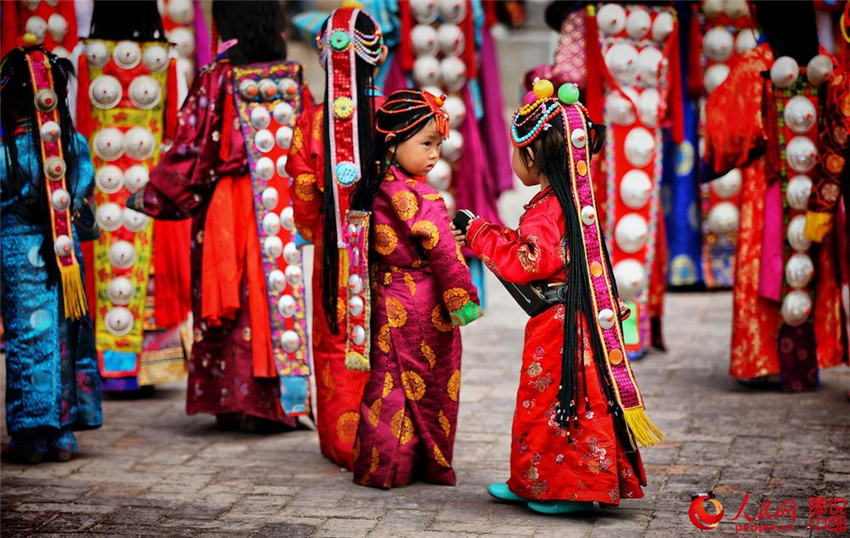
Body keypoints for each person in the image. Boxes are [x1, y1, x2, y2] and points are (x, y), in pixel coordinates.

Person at [453, 81, 661, 514]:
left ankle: (567, 490)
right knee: (563, 403)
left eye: (516, 152)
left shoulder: (549, 209)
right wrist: (483, 230)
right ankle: (534, 480)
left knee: (556, 405)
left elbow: (527, 262)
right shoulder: (565, 203)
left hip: (560, 328)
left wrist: (477, 233)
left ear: (532, 157)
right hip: (575, 321)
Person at [128, 0, 305, 431]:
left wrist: (152, 194)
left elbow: (191, 150)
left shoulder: (217, 77)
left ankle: (229, 399)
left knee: (227, 298)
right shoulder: (290, 77)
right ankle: (270, 402)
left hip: (225, 207)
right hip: (275, 206)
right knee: (274, 294)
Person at [704, 2, 847, 390]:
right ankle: (807, 361)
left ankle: (763, 361)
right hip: (816, 191)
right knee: (808, 264)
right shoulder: (827, 64)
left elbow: (724, 131)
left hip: (765, 185)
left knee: (765, 260)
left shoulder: (755, 65)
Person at [348, 89, 483, 488]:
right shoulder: (423, 196)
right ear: (392, 141)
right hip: (422, 304)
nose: (434, 155)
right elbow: (443, 252)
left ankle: (382, 465)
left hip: (384, 295)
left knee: (388, 382)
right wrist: (464, 301)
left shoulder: (372, 187)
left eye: (438, 145)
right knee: (429, 384)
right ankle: (426, 463)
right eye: (426, 144)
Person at [285, 4, 387, 471]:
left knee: (334, 340)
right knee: (385, 338)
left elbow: (304, 193)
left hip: (333, 253)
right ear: (376, 56)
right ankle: (387, 438)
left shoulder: (311, 121)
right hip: (386, 252)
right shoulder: (391, 115)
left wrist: (317, 229)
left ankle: (341, 441)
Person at [76, 0, 191, 393]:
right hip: (147, 184)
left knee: (107, 271)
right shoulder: (165, 59)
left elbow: (78, 121)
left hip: (101, 180)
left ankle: (106, 366)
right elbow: (175, 126)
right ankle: (147, 368)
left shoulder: (86, 57)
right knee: (143, 269)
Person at [1, 37, 102, 463]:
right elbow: (83, 196)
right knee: (65, 333)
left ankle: (31, 435)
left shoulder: (6, 153)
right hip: (65, 254)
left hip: (18, 251)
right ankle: (63, 433)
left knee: (27, 336)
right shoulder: (73, 147)